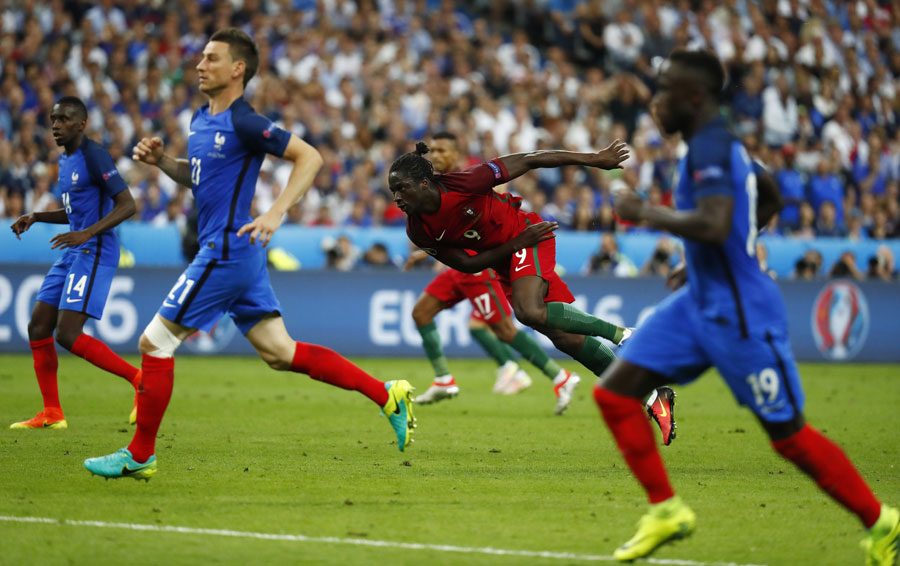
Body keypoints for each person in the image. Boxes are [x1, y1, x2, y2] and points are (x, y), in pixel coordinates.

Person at [603, 49, 899, 563]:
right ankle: (666, 510)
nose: (655, 102)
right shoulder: (716, 143)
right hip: (699, 302)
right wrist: (726, 251)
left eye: (665, 89)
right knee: (614, 395)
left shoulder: (712, 147)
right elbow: (766, 193)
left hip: (742, 317)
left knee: (790, 438)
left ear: (693, 96)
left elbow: (716, 223)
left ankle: (883, 523)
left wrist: (642, 210)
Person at [83, 29, 415, 481]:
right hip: (237, 253)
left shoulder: (245, 121)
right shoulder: (202, 119)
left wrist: (277, 212)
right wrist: (164, 164)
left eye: (212, 58)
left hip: (225, 251)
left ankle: (140, 455)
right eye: (201, 56)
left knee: (153, 343)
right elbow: (200, 179)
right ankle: (387, 395)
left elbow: (310, 157)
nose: (200, 65)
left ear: (237, 69)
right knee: (280, 352)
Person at [388, 138, 676, 438]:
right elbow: (468, 264)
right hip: (508, 255)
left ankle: (623, 334)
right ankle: (652, 397)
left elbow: (529, 159)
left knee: (528, 311)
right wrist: (513, 246)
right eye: (393, 191)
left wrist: (594, 158)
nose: (396, 198)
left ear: (423, 183)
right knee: (566, 339)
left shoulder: (467, 181)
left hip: (528, 235)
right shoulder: (418, 229)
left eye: (401, 189)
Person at [406, 132, 573, 404]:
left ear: (456, 155)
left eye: (441, 151)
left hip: (480, 266)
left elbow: (490, 224)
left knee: (501, 328)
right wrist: (423, 254)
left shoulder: (474, 180)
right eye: (432, 151)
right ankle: (445, 379)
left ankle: (556, 376)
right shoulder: (429, 190)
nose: (435, 156)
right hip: (457, 268)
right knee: (422, 313)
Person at [9, 96, 141, 430]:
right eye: (53, 119)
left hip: (95, 249)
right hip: (75, 249)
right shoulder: (65, 161)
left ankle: (139, 379)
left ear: (81, 123)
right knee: (38, 324)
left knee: (67, 333)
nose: (56, 125)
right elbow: (76, 211)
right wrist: (37, 216)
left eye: (64, 119)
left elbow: (128, 205)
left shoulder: (94, 155)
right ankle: (52, 413)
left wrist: (87, 233)